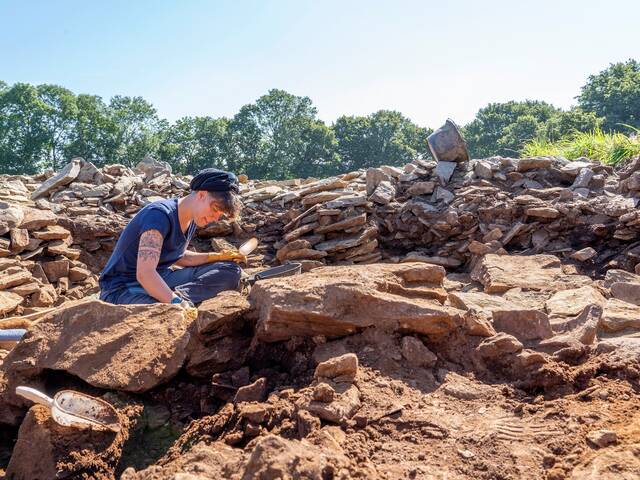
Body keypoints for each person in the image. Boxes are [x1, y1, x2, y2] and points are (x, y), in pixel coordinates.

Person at [99, 168, 245, 308]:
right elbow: (145, 273)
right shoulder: (158, 215)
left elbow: (180, 257)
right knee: (159, 310)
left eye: (220, 214)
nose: (215, 218)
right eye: (214, 209)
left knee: (231, 270)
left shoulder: (191, 219)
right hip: (122, 288)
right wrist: (175, 302)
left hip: (161, 278)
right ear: (201, 195)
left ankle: (178, 299)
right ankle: (175, 303)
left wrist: (218, 256)